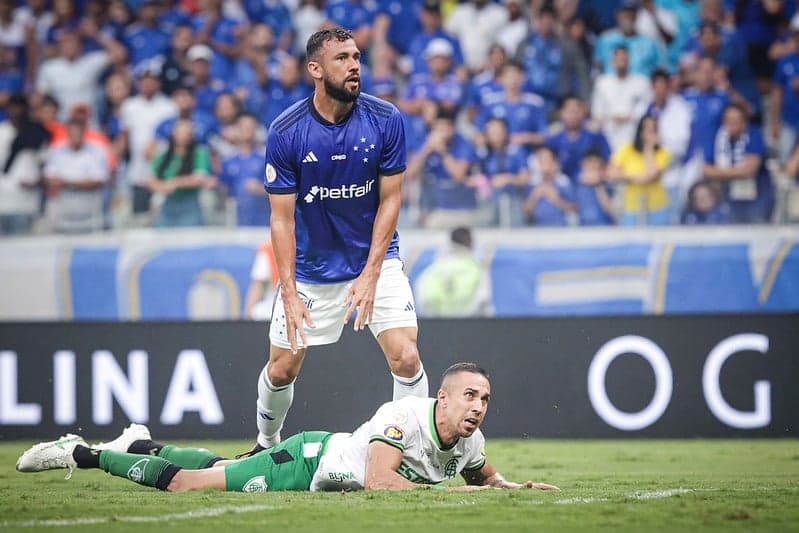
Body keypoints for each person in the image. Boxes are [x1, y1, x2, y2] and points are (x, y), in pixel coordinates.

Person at [251, 28, 429, 457]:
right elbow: (281, 219)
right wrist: (289, 292)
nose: (354, 66)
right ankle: (265, 444)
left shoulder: (385, 119)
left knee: (406, 356)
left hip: (375, 260)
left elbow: (391, 200)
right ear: (315, 69)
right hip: (312, 271)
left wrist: (371, 274)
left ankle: (403, 456)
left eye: (356, 57)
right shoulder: (286, 131)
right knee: (281, 369)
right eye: (342, 59)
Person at [17, 363, 559, 494]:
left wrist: (511, 491)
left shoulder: (470, 440)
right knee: (191, 486)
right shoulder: (405, 416)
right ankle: (82, 453)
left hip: (318, 465)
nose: (479, 406)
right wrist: (457, 503)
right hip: (308, 460)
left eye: (485, 398)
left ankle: (141, 443)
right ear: (442, 396)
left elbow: (482, 476)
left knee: (218, 468)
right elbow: (378, 480)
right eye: (470, 395)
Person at [703, 103, 774, 224]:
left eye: (735, 120)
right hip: (729, 196)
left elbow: (750, 170)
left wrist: (720, 172)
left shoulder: (754, 134)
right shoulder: (717, 137)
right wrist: (737, 172)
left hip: (757, 194)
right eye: (727, 120)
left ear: (744, 122)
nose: (730, 125)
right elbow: (706, 169)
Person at [43, 117, 111, 233]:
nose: (75, 136)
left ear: (84, 132)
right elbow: (50, 178)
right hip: (64, 209)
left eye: (78, 133)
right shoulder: (57, 151)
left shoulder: (96, 151)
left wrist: (67, 182)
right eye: (72, 133)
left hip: (90, 209)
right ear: (67, 132)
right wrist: (79, 182)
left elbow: (98, 180)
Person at [144, 119, 215, 227]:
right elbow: (150, 179)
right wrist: (162, 187)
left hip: (189, 206)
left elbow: (200, 178)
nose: (183, 136)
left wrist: (176, 182)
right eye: (180, 132)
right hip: (168, 206)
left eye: (187, 133)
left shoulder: (200, 154)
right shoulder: (163, 156)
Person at [606, 115, 671, 226]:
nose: (650, 134)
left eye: (653, 130)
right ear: (640, 131)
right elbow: (610, 173)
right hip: (631, 207)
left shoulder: (663, 153)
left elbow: (650, 176)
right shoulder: (627, 149)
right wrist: (634, 177)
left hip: (657, 207)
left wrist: (649, 148)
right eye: (647, 130)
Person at [416, 229, 492, 317]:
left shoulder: (432, 270)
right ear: (470, 243)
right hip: (470, 324)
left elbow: (422, 300)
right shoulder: (476, 269)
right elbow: (483, 300)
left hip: (436, 325)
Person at [522, 145, 576, 227]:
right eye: (541, 160)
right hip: (538, 231)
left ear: (555, 162)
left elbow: (574, 208)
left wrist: (555, 198)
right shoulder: (533, 183)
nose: (543, 164)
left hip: (561, 230)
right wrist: (535, 195)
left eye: (547, 160)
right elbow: (525, 210)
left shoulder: (564, 182)